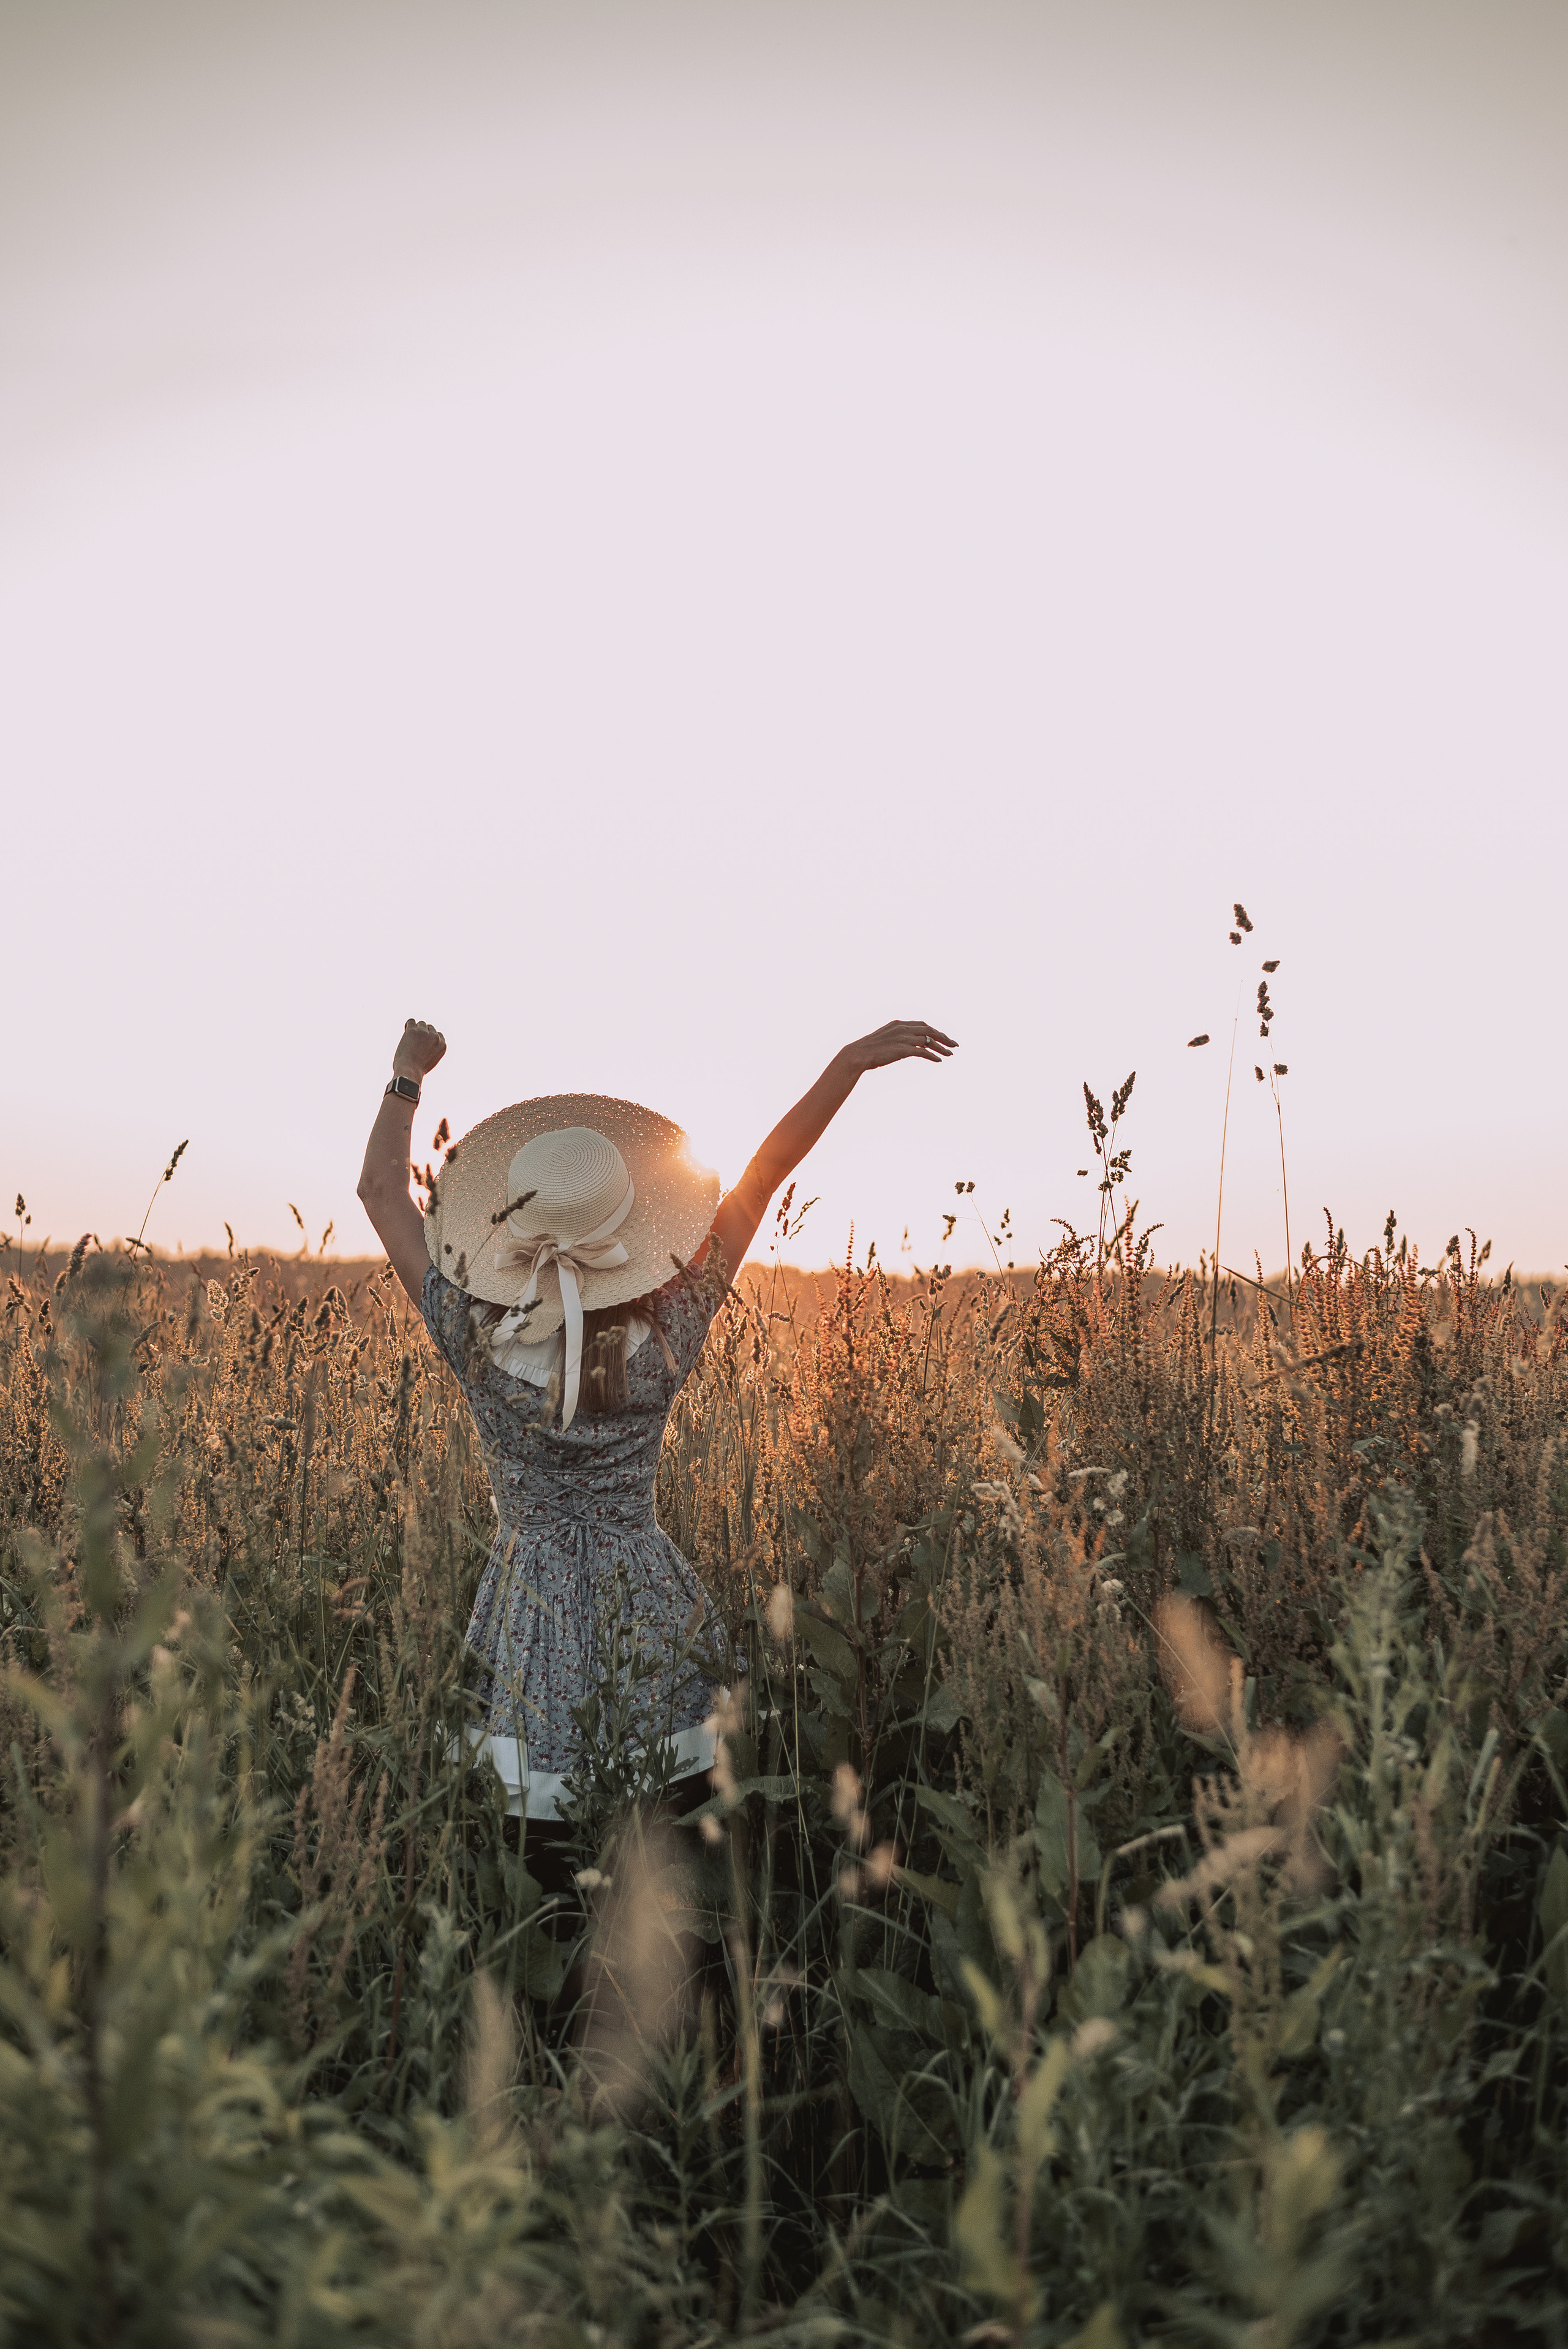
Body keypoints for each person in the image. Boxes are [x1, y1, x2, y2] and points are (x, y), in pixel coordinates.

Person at [356, 1016, 957, 1820]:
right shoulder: (672, 1319)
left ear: (513, 1225)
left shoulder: (470, 1328)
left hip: (526, 1617)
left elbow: (379, 1191)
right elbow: (763, 1177)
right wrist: (847, 1064)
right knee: (666, 1840)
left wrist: (407, 1074)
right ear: (627, 1226)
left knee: (540, 1856)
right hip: (649, 1610)